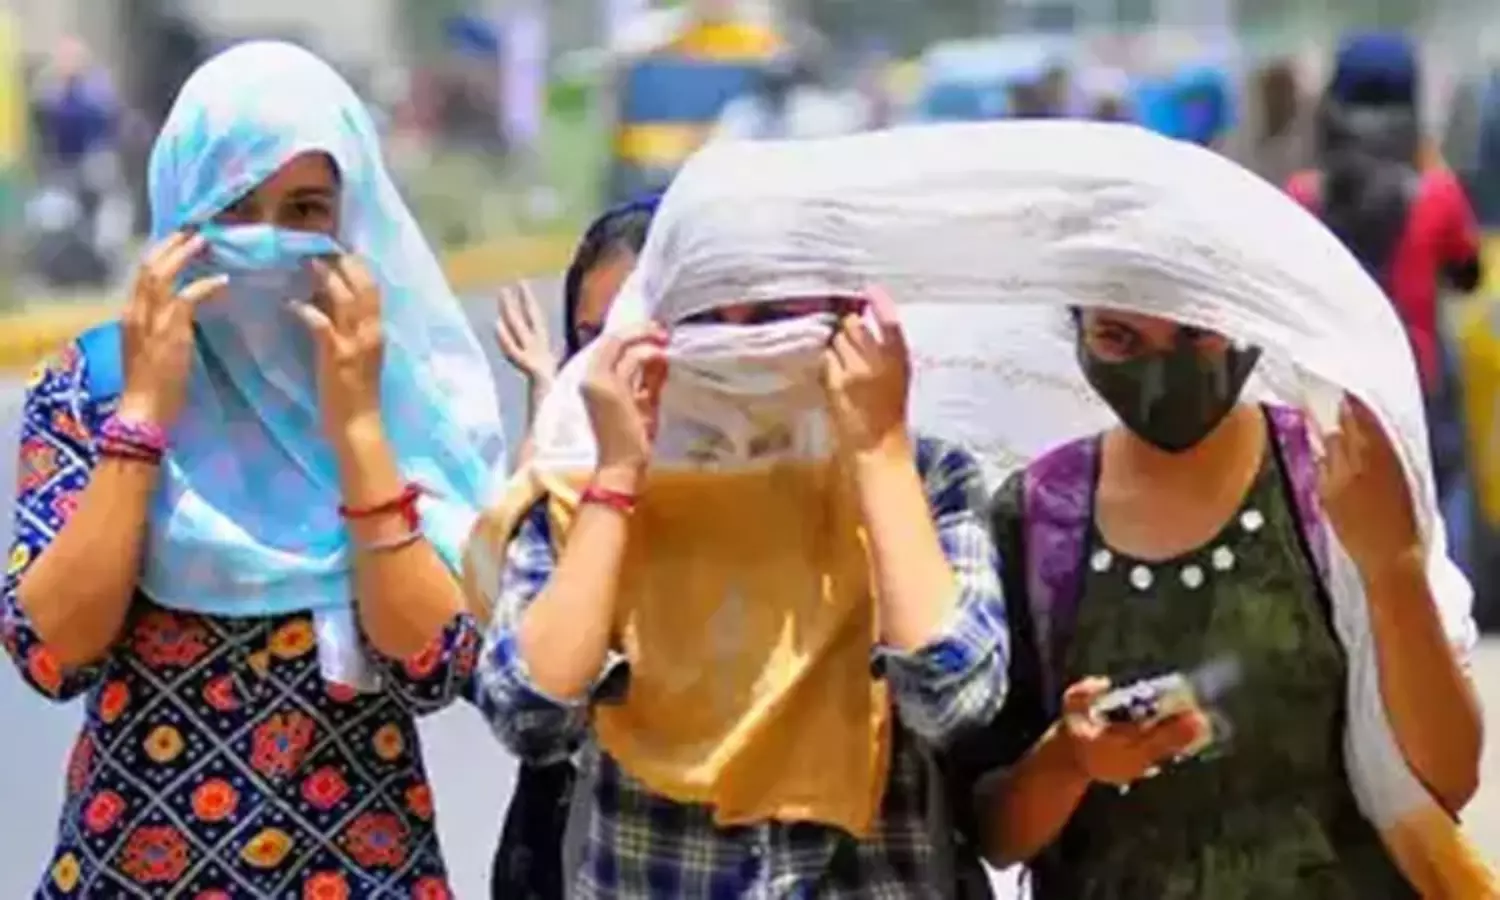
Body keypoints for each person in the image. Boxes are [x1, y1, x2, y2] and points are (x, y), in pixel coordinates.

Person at [1, 41, 504, 896]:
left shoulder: (396, 392)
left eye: (304, 210)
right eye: (233, 207)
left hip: (360, 872)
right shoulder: (95, 382)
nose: (266, 243)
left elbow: (441, 664)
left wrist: (356, 429)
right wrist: (144, 418)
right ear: (179, 206)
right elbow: (50, 652)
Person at [466, 138, 1009, 896]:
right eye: (708, 317)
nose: (740, 343)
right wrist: (617, 480)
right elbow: (527, 715)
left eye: (773, 315)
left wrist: (877, 453)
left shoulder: (923, 477)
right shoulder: (585, 481)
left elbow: (955, 700)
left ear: (846, 315)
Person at [975, 311, 1482, 898]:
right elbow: (992, 833)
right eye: (1118, 338)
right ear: (1079, 329)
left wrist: (1393, 570)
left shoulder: (1335, 478)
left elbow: (1448, 779)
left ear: (1240, 315)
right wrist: (1068, 761)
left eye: (1195, 333)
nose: (1161, 373)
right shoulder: (1040, 517)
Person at [486, 193, 659, 898]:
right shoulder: (563, 490)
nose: (611, 367)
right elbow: (524, 707)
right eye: (590, 340)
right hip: (566, 842)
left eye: (637, 333)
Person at [1286, 32, 1484, 574]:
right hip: (1418, 390)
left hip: (1331, 392)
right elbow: (1467, 275)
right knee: (1439, 519)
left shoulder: (1303, 195)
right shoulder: (1437, 195)